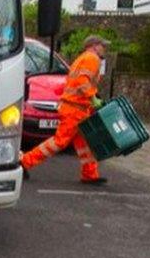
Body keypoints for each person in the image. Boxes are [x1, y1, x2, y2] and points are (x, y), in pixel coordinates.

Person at [21, 35, 109, 184]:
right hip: (76, 109)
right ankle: (24, 162)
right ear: (94, 46)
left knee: (85, 144)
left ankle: (90, 174)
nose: (105, 49)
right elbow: (82, 81)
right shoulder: (92, 59)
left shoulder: (81, 59)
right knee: (59, 142)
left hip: (75, 108)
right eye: (103, 45)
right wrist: (93, 98)